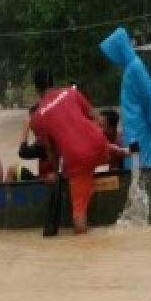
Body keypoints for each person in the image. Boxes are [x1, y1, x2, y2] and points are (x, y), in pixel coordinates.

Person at [28, 68, 128, 234]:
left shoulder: (37, 118)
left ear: (37, 89)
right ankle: (125, 153)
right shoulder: (71, 92)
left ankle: (83, 252)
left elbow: (51, 151)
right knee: (103, 156)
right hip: (99, 144)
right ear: (53, 82)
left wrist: (58, 174)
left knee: (79, 213)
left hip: (77, 159)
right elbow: (94, 117)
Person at [100, 26, 151, 169]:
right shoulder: (130, 68)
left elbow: (150, 94)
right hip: (133, 125)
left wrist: (150, 120)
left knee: (143, 163)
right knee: (134, 162)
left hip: (140, 125)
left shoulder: (135, 67)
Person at [5, 104, 56, 182]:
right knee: (14, 168)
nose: (31, 126)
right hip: (46, 178)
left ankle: (7, 194)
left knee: (12, 170)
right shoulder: (51, 134)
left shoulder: (44, 140)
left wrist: (25, 129)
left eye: (32, 122)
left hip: (45, 182)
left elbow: (23, 152)